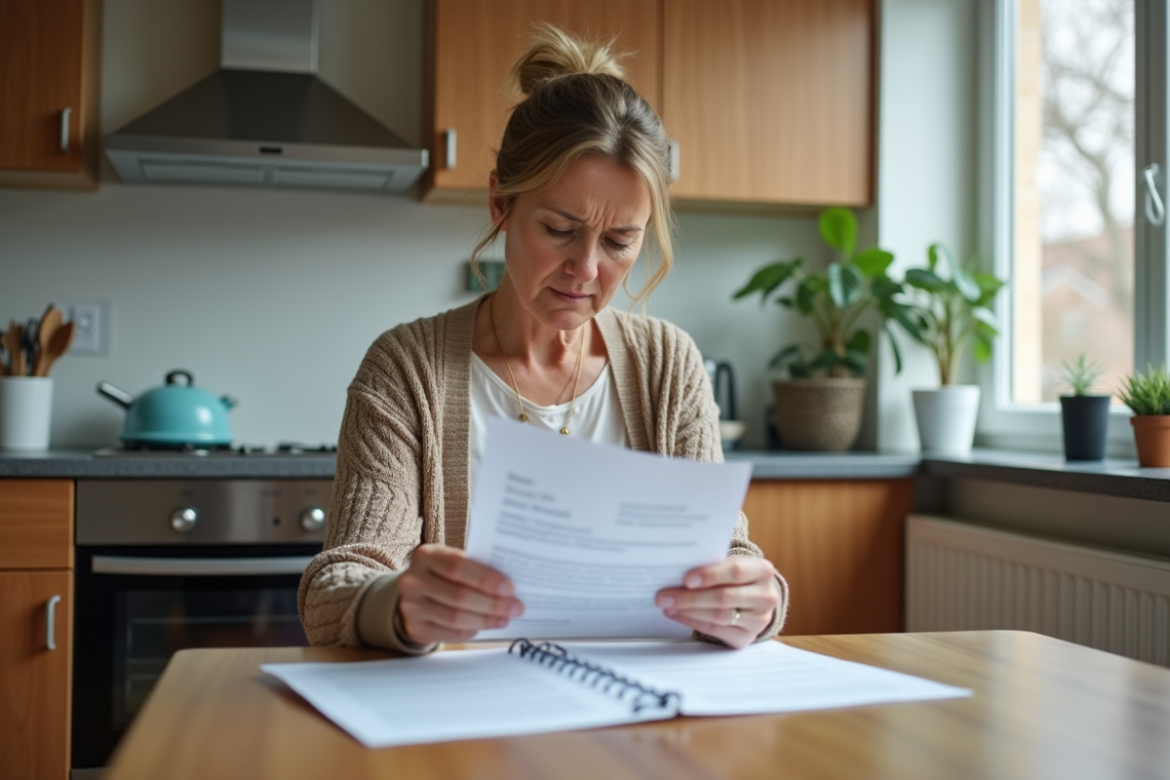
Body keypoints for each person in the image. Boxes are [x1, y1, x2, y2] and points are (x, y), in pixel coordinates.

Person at [298, 24, 788, 655]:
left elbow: (729, 556)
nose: (586, 270)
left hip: (635, 722)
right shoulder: (407, 367)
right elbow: (334, 588)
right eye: (560, 229)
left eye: (619, 243)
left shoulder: (668, 364)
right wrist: (394, 605)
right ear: (502, 200)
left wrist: (759, 600)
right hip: (465, 722)